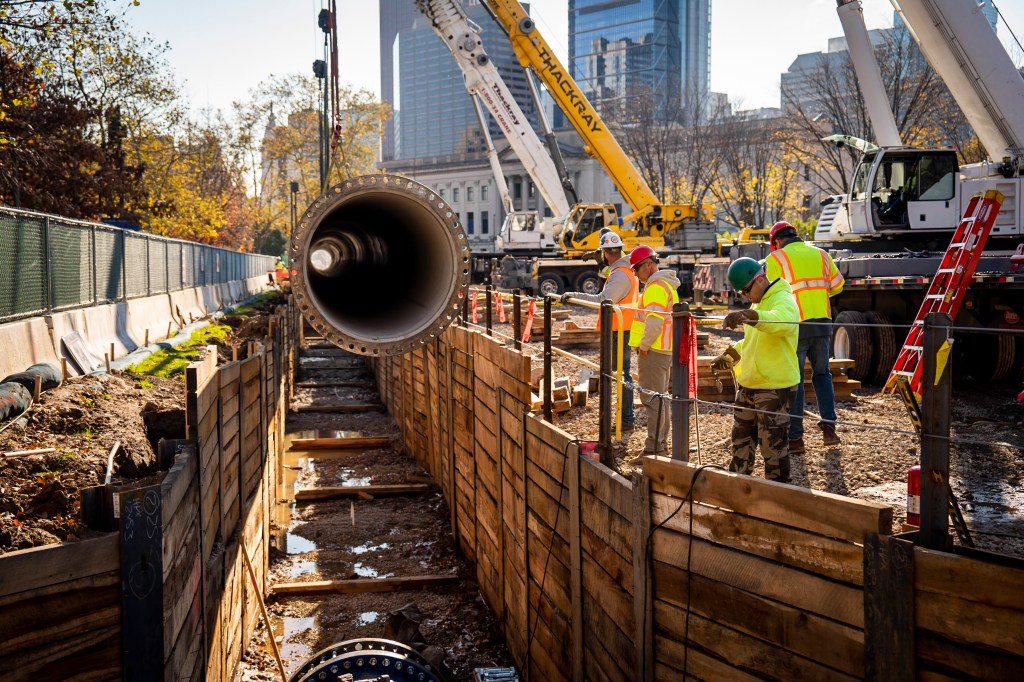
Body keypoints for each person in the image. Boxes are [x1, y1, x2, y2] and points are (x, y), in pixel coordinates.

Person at [712, 257, 800, 482]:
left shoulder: (783, 299)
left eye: (746, 290)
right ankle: (738, 488)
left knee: (773, 448)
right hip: (750, 386)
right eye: (741, 292)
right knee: (740, 442)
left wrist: (753, 317)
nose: (744, 295)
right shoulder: (757, 304)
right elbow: (751, 343)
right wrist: (730, 356)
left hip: (774, 388)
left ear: (760, 279)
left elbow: (783, 322)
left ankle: (777, 497)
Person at [765, 221, 844, 454]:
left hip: (795, 325)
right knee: (822, 375)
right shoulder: (822, 255)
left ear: (776, 242)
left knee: (795, 381)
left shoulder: (776, 259)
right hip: (822, 323)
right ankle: (830, 430)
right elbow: (838, 286)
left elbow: (768, 294)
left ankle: (796, 439)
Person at [561, 232, 640, 428]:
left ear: (605, 252)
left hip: (619, 329)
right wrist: (601, 265)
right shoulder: (623, 269)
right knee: (620, 373)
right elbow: (611, 279)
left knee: (622, 374)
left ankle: (627, 419)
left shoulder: (621, 274)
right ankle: (626, 418)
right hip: (622, 328)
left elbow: (602, 299)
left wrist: (572, 295)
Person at [628, 245, 679, 455]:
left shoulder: (656, 287)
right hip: (663, 349)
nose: (636, 275)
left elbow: (654, 322)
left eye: (637, 270)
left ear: (648, 266)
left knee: (652, 400)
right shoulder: (665, 285)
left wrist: (644, 346)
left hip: (654, 351)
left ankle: (654, 448)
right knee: (660, 399)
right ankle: (660, 445)